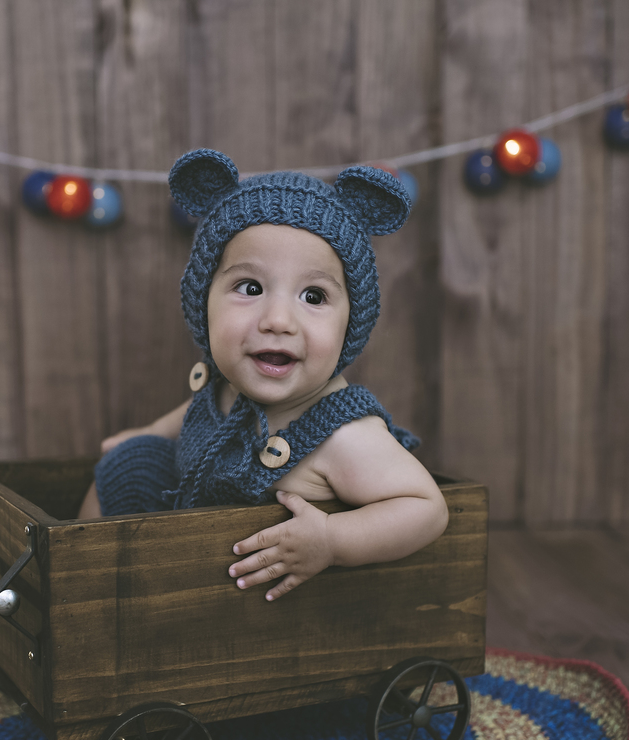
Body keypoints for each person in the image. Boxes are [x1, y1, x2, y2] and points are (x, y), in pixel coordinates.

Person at [78, 148, 448, 601]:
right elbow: (197, 414)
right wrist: (149, 432)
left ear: (350, 324)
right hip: (185, 561)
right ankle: (79, 586)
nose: (278, 319)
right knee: (124, 466)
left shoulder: (344, 435)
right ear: (203, 302)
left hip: (269, 606)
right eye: (249, 288)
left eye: (313, 296)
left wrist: (331, 540)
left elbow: (425, 508)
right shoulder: (226, 388)